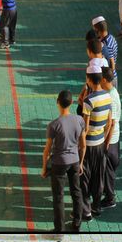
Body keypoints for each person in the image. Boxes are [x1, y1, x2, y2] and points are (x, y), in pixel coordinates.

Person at [40, 90, 86, 233]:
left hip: (59, 163)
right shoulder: (79, 120)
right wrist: (81, 163)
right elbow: (83, 145)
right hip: (75, 161)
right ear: (71, 103)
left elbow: (47, 150)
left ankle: (59, 229)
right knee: (76, 192)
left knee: (58, 197)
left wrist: (44, 167)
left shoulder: (54, 125)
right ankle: (77, 223)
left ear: (57, 102)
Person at [80, 68, 112, 219]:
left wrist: (79, 143)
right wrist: (103, 139)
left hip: (88, 145)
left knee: (84, 177)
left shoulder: (88, 101)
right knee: (98, 177)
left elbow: (85, 128)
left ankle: (86, 210)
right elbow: (109, 123)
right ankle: (96, 206)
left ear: (89, 79)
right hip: (100, 143)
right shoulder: (108, 96)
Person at [100, 68, 120, 210]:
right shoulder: (111, 92)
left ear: (104, 80)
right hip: (113, 137)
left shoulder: (111, 97)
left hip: (111, 139)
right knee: (109, 168)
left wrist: (106, 143)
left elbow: (111, 123)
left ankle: (110, 198)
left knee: (108, 169)